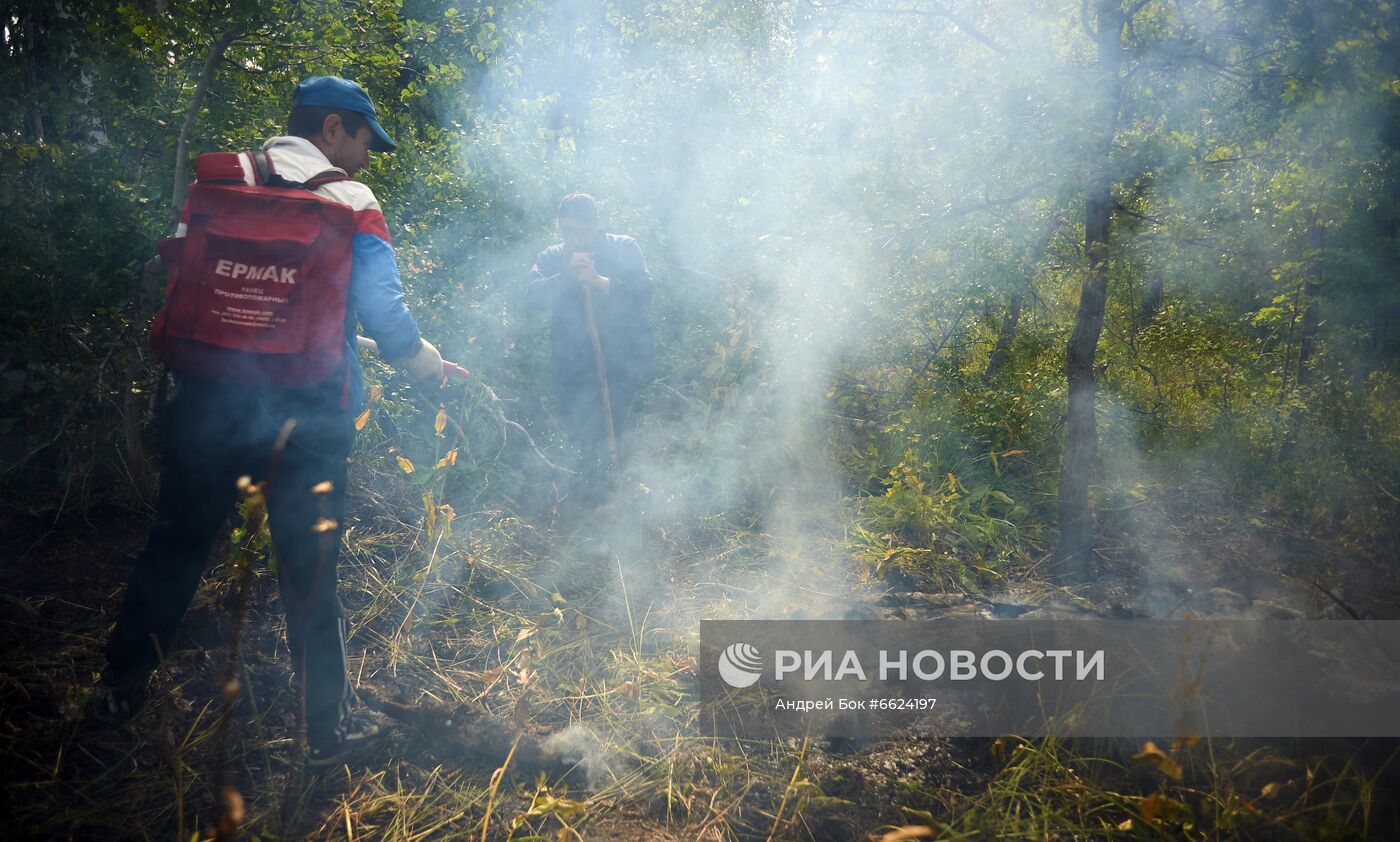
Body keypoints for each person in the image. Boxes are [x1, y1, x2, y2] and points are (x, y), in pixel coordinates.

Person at [90, 76, 446, 768]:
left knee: (174, 550)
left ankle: (116, 694)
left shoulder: (219, 187)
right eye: (366, 138)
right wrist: (421, 360)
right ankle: (327, 731)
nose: (369, 154)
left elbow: (194, 289)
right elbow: (382, 308)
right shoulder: (347, 199)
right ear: (335, 128)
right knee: (310, 571)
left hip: (208, 406)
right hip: (309, 417)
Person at [526, 194, 655, 503]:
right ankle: (588, 504)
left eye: (576, 230)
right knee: (581, 435)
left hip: (621, 365)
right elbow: (531, 296)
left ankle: (617, 499)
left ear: (597, 224)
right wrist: (566, 278)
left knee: (612, 432)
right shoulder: (552, 257)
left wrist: (600, 282)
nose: (570, 238)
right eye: (564, 231)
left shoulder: (624, 248)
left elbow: (645, 290)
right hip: (573, 368)